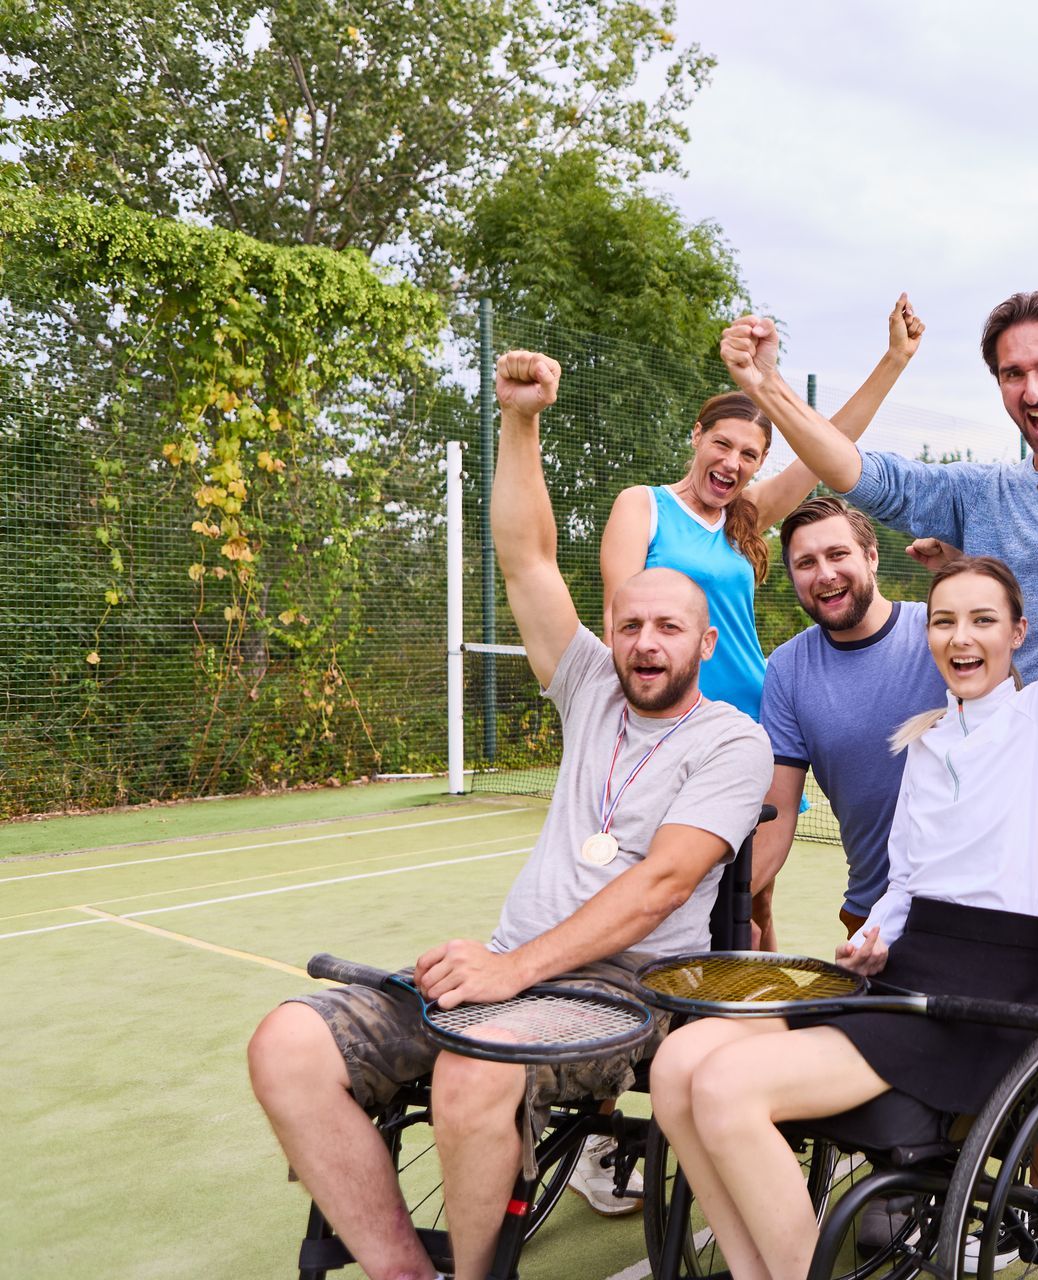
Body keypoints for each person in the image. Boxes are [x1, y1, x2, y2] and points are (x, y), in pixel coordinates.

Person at [639, 316, 1038, 1280]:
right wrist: (876, 930)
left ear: (1021, 632)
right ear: (924, 632)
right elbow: (910, 876)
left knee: (722, 1092)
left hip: (982, 1000)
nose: (962, 639)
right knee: (680, 1068)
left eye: (984, 621)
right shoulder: (927, 737)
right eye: (945, 622)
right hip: (905, 973)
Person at [246, 349, 772, 1280]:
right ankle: (407, 1269)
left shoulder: (732, 742)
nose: (645, 644)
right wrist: (521, 421)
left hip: (620, 994)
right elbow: (526, 556)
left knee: (474, 1067)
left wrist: (510, 970)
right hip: (500, 976)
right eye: (631, 625)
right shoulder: (589, 687)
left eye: (669, 629)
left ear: (708, 640)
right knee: (285, 1044)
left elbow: (662, 886)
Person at [598, 294, 926, 721]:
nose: (732, 462)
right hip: (668, 718)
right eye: (722, 444)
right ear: (697, 436)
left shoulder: (746, 513)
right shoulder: (643, 506)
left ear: (760, 462)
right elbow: (614, 623)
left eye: (749, 454)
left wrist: (895, 358)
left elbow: (832, 443)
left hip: (754, 716)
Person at [756, 496, 948, 942]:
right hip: (869, 917)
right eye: (806, 563)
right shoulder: (786, 670)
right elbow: (778, 814)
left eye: (838, 554)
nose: (824, 574)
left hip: (969, 909)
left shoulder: (941, 632)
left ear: (872, 557)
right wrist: (728, 901)